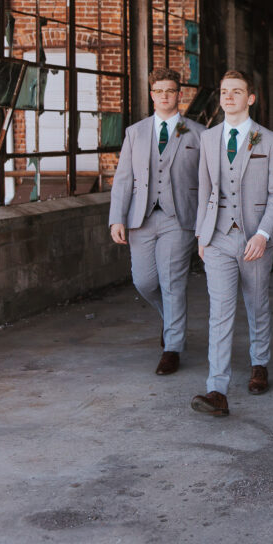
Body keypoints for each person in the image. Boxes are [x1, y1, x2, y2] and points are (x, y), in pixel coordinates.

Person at [190, 70, 273, 417]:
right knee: (220, 312)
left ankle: (259, 364)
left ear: (251, 98)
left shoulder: (270, 140)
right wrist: (202, 235)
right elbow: (204, 188)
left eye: (236, 91)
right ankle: (217, 388)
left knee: (257, 304)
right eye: (224, 91)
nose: (228, 96)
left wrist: (262, 234)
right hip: (217, 237)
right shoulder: (208, 138)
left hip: (255, 238)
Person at [109, 67, 204, 375]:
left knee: (173, 281)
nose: (165, 96)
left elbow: (207, 181)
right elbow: (123, 180)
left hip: (180, 218)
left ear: (179, 94)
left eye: (170, 91)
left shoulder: (198, 133)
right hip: (141, 218)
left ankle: (172, 348)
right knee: (145, 281)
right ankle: (172, 321)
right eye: (159, 91)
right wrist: (116, 219)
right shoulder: (135, 132)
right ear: (152, 95)